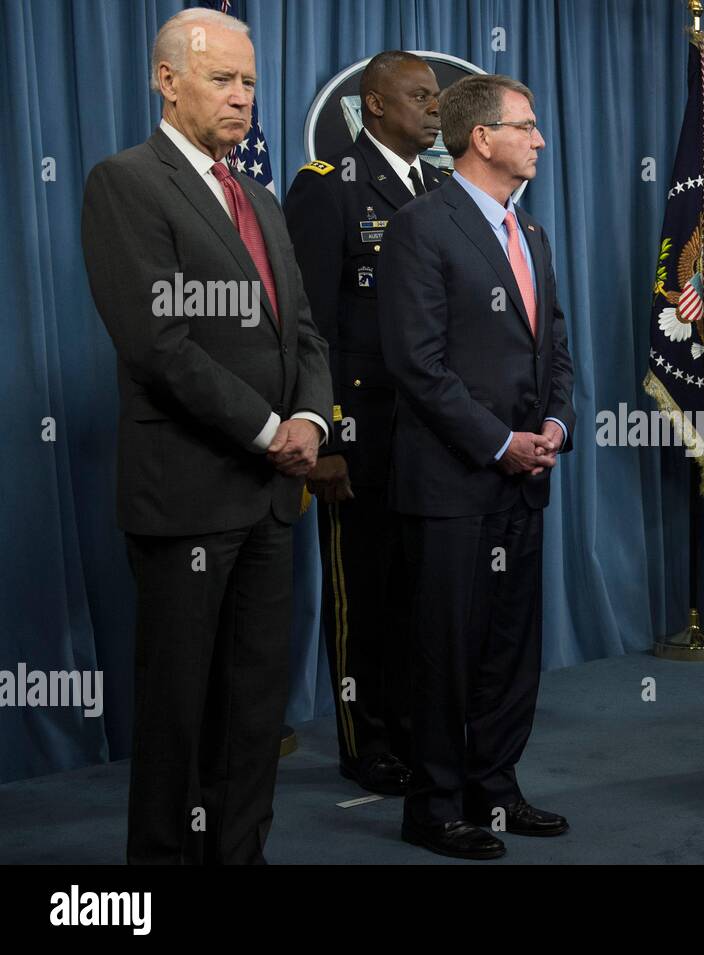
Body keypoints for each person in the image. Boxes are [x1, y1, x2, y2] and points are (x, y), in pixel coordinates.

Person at [80, 7, 330, 863]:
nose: (241, 97)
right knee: (178, 714)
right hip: (187, 496)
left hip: (270, 499)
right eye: (221, 78)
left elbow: (301, 330)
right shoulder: (126, 181)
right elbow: (159, 346)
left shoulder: (259, 194)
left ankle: (239, 853)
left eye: (250, 81)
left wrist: (310, 418)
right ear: (167, 80)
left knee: (255, 707)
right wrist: (268, 429)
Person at [378, 73, 575, 860]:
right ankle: (434, 805)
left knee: (508, 647)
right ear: (482, 137)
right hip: (453, 484)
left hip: (525, 483)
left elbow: (554, 348)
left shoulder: (533, 235)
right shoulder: (421, 227)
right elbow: (417, 364)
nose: (540, 140)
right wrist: (501, 441)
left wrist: (555, 423)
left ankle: (496, 788)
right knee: (444, 651)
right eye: (526, 127)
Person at [284, 51, 449, 797]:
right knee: (366, 595)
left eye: (438, 96)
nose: (435, 107)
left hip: (429, 436)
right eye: (418, 96)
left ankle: (414, 728)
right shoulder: (329, 189)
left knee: (418, 593)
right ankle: (367, 740)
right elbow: (307, 322)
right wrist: (321, 430)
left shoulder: (440, 188)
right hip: (360, 435)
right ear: (373, 106)